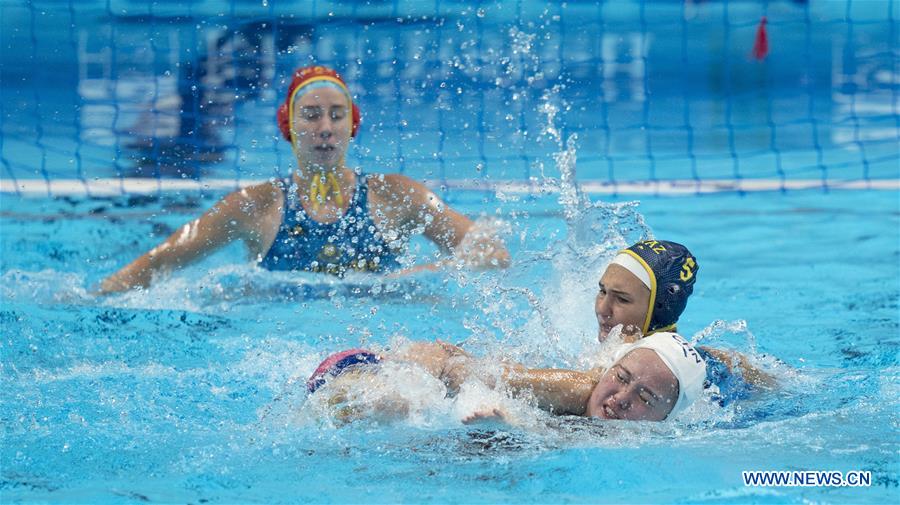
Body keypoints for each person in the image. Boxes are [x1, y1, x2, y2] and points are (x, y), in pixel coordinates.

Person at [99, 65, 509, 294]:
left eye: (336, 115)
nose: (325, 127)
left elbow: (491, 254)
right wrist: (88, 301)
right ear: (288, 126)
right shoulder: (254, 205)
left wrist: (413, 275)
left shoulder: (397, 195)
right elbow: (160, 263)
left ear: (352, 125)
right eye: (311, 115)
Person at [305, 332, 707, 424]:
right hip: (353, 371)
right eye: (620, 377)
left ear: (667, 417)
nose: (621, 397)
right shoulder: (566, 388)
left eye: (646, 399)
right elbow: (452, 368)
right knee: (405, 401)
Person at [591, 239, 773, 401]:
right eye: (602, 291)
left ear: (659, 310)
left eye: (622, 299)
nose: (602, 309)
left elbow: (584, 389)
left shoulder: (660, 371)